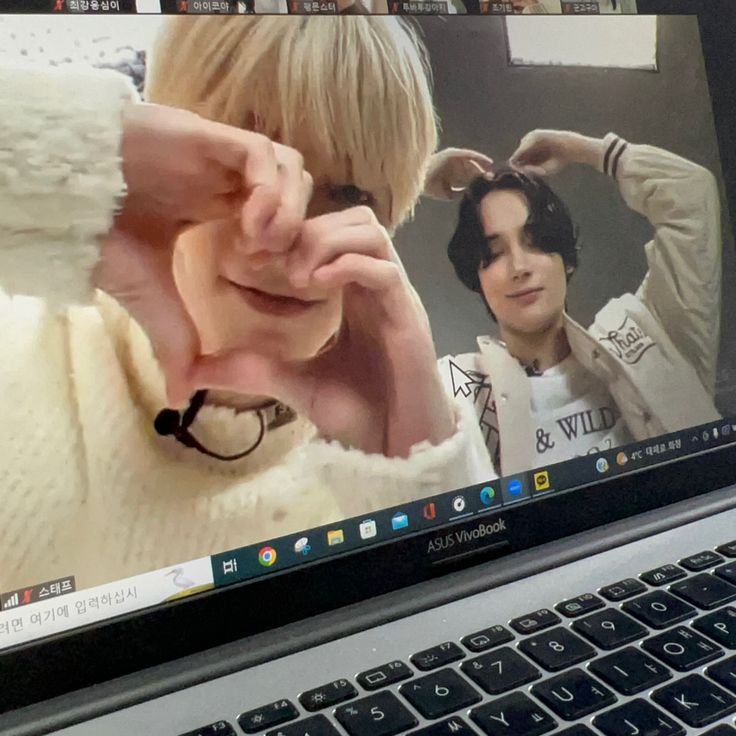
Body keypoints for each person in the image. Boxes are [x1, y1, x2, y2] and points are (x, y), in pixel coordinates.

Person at [0, 16, 492, 592]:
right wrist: (71, 161)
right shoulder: (20, 343)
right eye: (246, 168)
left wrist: (417, 479)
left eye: (349, 193)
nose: (283, 233)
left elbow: (464, 656)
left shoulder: (406, 432)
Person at [437, 129, 721, 477]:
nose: (519, 267)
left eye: (537, 242)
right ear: (476, 277)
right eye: (494, 254)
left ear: (566, 258)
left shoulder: (652, 336)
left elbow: (692, 195)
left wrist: (592, 152)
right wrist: (404, 188)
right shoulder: (456, 388)